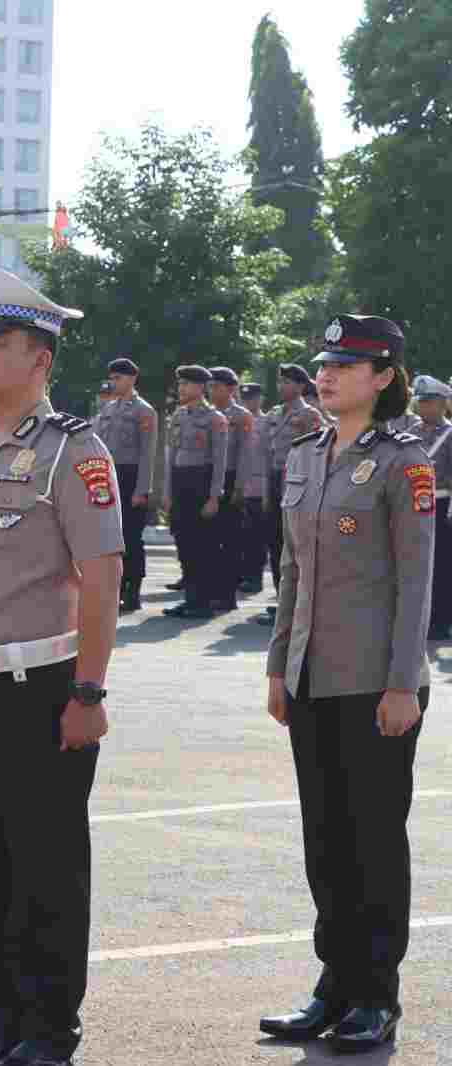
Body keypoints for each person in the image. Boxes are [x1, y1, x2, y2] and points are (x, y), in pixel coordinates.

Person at [0, 266, 121, 1066]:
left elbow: (102, 576)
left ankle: (48, 1029)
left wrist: (89, 690)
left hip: (38, 688)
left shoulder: (73, 450)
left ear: (40, 359)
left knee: (45, 867)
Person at [260, 313, 431, 1053]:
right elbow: (291, 571)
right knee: (325, 841)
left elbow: (417, 581)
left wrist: (402, 683)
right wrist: (278, 665)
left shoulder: (404, 461)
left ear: (383, 377)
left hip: (375, 684)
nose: (326, 376)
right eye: (324, 364)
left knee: (373, 842)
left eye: (345, 366)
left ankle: (376, 995)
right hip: (311, 678)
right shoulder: (306, 455)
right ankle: (334, 984)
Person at [255, 366, 325, 624]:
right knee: (275, 543)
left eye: (287, 382)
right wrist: (265, 490)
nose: (281, 386)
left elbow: (317, 454)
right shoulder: (274, 414)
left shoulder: (309, 414)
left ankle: (299, 604)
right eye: (280, 381)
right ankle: (282, 600)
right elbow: (266, 453)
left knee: (295, 545)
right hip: (275, 481)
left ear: (300, 386)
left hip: (298, 483)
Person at [161, 366, 228, 619]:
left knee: (203, 546)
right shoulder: (178, 416)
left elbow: (220, 461)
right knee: (184, 543)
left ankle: (203, 602)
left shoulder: (214, 418)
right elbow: (171, 456)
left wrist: (214, 497)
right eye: (180, 384)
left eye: (186, 384)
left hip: (201, 483)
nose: (181, 389)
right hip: (181, 483)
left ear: (200, 387)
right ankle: (190, 598)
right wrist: (167, 491)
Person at [93, 357, 157, 612]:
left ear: (132, 379)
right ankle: (116, 589)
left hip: (131, 478)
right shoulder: (108, 409)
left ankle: (133, 592)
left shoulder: (144, 411)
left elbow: (147, 454)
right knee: (111, 538)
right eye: (112, 378)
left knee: (131, 538)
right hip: (109, 477)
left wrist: (142, 490)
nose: (113, 382)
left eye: (118, 378)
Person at [207, 366, 253, 612]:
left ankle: (227, 595)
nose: (212, 391)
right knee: (210, 540)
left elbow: (245, 453)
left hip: (231, 478)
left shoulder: (241, 416)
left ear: (231, 389)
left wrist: (239, 487)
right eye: (210, 386)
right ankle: (211, 591)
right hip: (209, 479)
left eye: (217, 386)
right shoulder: (207, 413)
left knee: (230, 541)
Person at [411, 377, 452, 641]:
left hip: (441, 506)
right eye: (421, 401)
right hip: (412, 505)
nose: (423, 406)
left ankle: (440, 622)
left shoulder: (450, 434)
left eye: (429, 401)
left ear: (442, 403)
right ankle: (419, 620)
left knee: (441, 567)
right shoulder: (412, 431)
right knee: (416, 565)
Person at [236, 382, 270, 594]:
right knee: (238, 535)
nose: (248, 403)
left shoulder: (267, 423)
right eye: (245, 399)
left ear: (260, 399)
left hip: (258, 486)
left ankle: (254, 578)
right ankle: (239, 575)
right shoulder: (235, 421)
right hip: (238, 485)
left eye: (252, 398)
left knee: (255, 536)